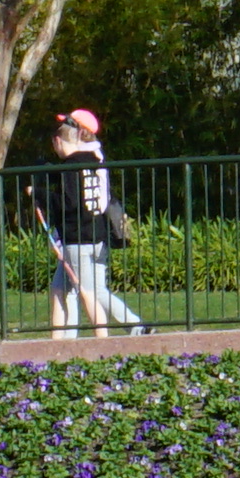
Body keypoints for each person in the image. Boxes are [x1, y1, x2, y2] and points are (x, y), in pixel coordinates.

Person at [41, 107, 146, 337]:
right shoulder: (94, 158)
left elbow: (73, 201)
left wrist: (41, 194)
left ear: (78, 133)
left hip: (81, 235)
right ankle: (135, 326)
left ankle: (100, 339)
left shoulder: (80, 162)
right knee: (72, 289)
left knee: (85, 291)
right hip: (95, 234)